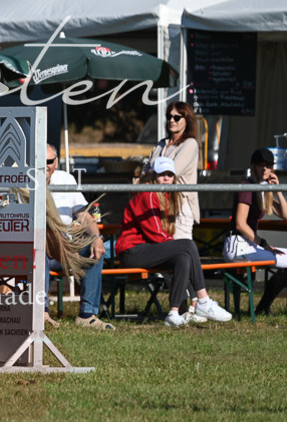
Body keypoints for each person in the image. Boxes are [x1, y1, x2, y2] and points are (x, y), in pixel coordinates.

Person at [116, 156, 231, 327]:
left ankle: (174, 313)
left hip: (145, 248)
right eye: (162, 175)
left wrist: (175, 246)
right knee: (187, 245)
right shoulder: (147, 193)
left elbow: (158, 236)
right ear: (153, 176)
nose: (166, 179)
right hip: (131, 251)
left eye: (169, 175)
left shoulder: (166, 195)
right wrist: (176, 245)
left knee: (183, 258)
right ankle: (203, 300)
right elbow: (154, 233)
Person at [45, 144, 112, 329]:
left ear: (56, 162)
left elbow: (83, 215)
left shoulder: (66, 179)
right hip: (42, 248)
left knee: (95, 248)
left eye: (49, 161)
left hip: (67, 248)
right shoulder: (28, 181)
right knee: (38, 253)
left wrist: (97, 238)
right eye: (40, 162)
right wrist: (61, 249)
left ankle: (87, 315)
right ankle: (42, 312)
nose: (45, 166)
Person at [223, 148, 287, 314]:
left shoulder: (264, 190)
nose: (265, 169)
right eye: (261, 165)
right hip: (237, 245)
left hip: (250, 245)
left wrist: (278, 190)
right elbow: (240, 224)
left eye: (268, 165)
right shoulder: (247, 186)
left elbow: (286, 215)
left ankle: (263, 306)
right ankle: (263, 307)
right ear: (253, 166)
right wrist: (264, 243)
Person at [148, 101, 200, 240]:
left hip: (179, 204)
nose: (171, 120)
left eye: (177, 117)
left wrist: (151, 174)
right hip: (157, 204)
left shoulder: (190, 144)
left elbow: (172, 172)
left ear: (187, 120)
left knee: (180, 250)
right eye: (169, 116)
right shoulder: (161, 144)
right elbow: (144, 171)